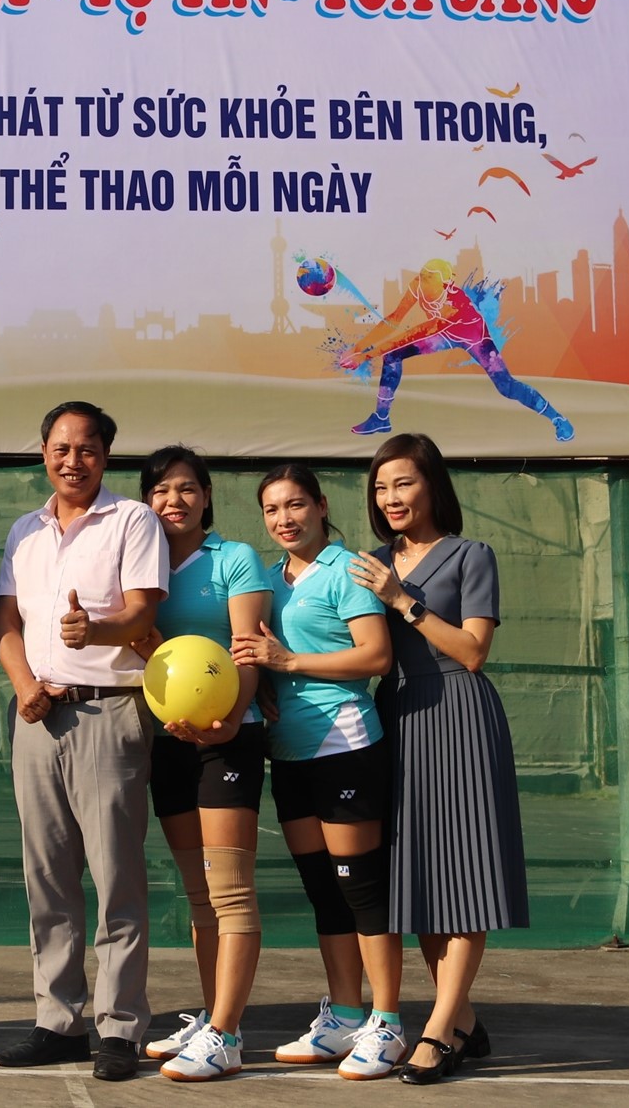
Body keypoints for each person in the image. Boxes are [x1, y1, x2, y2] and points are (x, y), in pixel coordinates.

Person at [0, 400, 168, 1083]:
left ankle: (118, 1026)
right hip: (37, 717)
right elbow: (6, 622)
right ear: (43, 453)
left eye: (87, 448)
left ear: (105, 455)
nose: (73, 460)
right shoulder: (24, 531)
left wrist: (93, 631)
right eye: (61, 448)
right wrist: (24, 685)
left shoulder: (133, 520)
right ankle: (58, 1020)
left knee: (116, 876)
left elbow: (141, 611)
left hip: (109, 713)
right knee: (47, 878)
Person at [347, 432, 526, 1085]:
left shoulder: (472, 554)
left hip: (458, 715)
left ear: (432, 486)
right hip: (394, 719)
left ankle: (437, 1029)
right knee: (419, 879)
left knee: (465, 878)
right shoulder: (367, 562)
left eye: (403, 482)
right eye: (380, 486)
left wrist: (402, 599)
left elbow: (473, 650)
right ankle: (465, 1020)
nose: (390, 497)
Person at [237, 463, 406, 1081]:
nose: (284, 519)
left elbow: (376, 656)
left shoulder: (347, 570)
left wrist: (290, 661)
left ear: (321, 505)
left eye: (296, 505)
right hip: (288, 753)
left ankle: (387, 1022)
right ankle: (344, 1016)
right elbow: (257, 656)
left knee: (360, 887)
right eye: (272, 509)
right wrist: (265, 681)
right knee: (323, 891)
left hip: (346, 744)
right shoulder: (265, 580)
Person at [132, 446, 270, 1083]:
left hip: (229, 739)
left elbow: (248, 648)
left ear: (207, 496)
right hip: (169, 738)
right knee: (199, 895)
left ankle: (227, 1034)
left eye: (187, 488)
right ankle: (213, 1016)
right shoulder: (141, 561)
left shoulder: (234, 558)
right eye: (161, 490)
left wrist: (233, 717)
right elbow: (150, 648)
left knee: (230, 890)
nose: (174, 501)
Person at [338, 258, 573, 443]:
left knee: (506, 387)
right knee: (393, 355)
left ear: (445, 285)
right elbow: (394, 319)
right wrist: (358, 348)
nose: (422, 281)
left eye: (429, 278)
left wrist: (366, 355)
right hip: (444, 332)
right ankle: (381, 418)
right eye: (422, 275)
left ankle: (557, 418)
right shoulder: (417, 285)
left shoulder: (454, 305)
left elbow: (416, 333)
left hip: (472, 335)